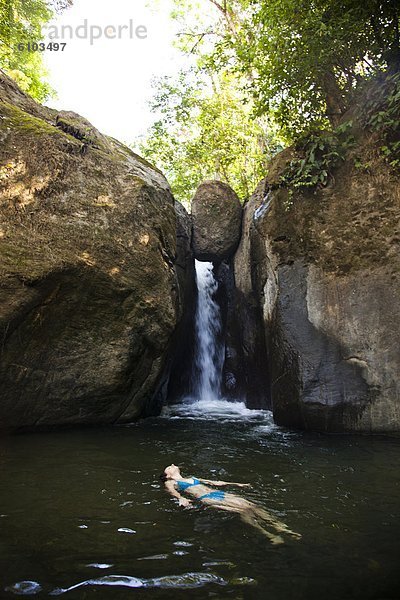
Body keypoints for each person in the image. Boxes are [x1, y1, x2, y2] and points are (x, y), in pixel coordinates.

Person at [161, 464, 301, 545]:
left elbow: (215, 482)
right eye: (169, 467)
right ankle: (269, 535)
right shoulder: (170, 482)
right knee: (243, 511)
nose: (173, 465)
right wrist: (181, 498)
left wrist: (237, 484)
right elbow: (172, 492)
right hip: (207, 498)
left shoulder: (192, 478)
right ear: (167, 475)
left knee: (252, 506)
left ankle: (282, 528)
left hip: (218, 493)